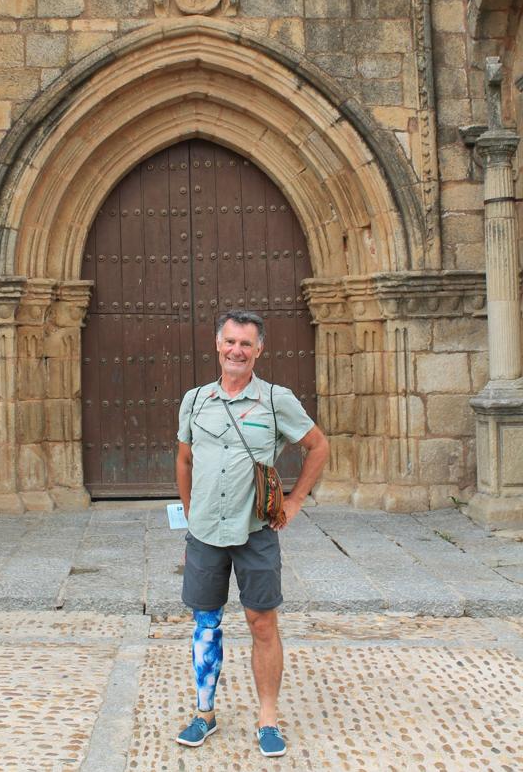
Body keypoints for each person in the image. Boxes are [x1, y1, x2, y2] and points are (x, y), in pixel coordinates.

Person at [175, 310, 329, 758]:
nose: (236, 351)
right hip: (205, 533)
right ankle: (205, 714)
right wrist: (190, 514)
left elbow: (318, 446)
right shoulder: (195, 400)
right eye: (230, 342)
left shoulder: (277, 400)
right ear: (217, 345)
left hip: (256, 531)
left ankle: (267, 719)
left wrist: (296, 500)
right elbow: (184, 461)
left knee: (262, 623)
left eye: (246, 343)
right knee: (205, 624)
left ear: (259, 349)